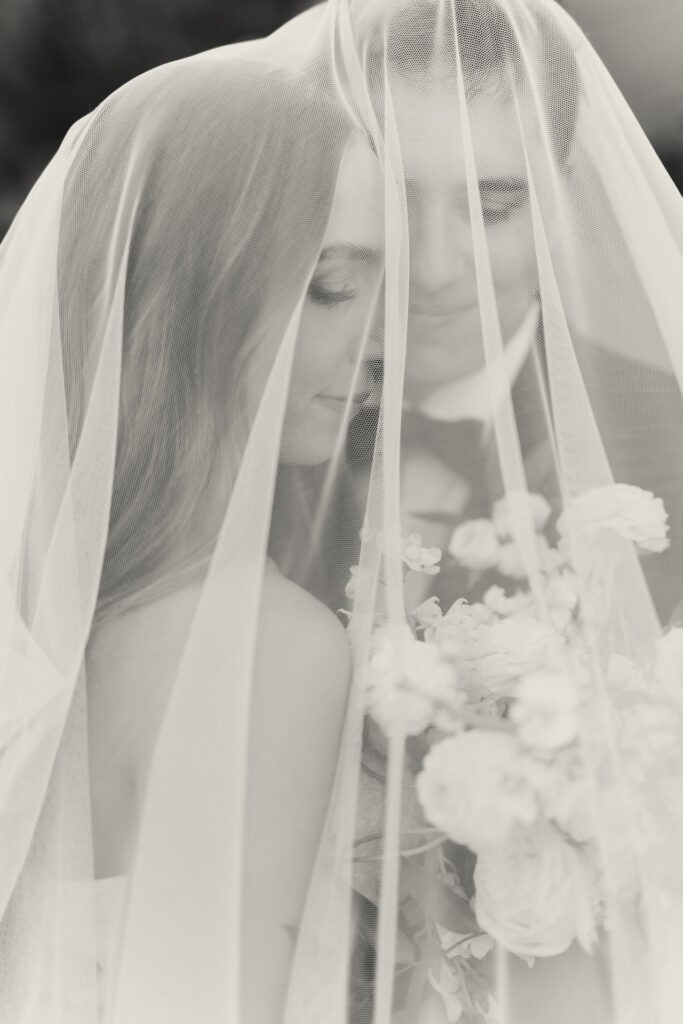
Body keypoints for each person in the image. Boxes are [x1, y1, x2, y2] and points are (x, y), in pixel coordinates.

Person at [0, 41, 384, 1024]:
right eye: (332, 286)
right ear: (194, 296)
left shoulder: (41, 593)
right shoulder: (265, 648)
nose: (374, 340)